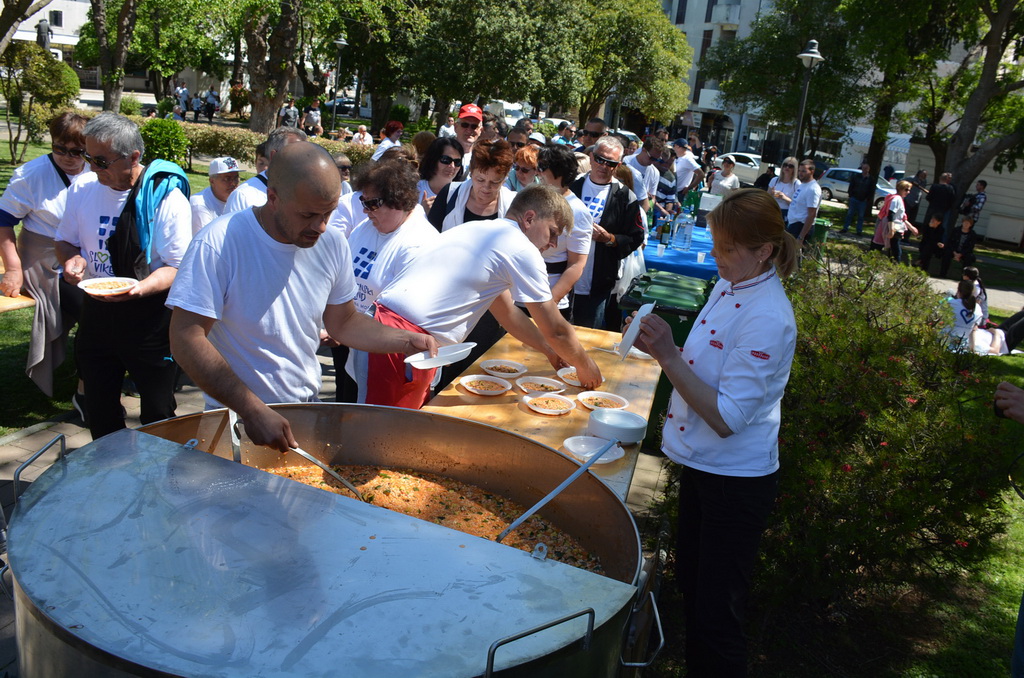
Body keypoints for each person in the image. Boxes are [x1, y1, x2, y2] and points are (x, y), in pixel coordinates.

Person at [626, 188, 798, 677]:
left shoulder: (768, 317)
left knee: (717, 617)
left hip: (735, 481)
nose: (716, 256)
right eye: (717, 244)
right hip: (703, 467)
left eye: (728, 248)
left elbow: (726, 419)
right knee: (693, 591)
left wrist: (668, 355)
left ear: (763, 251)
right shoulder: (732, 282)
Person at [167, 143, 438, 451]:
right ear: (273, 198)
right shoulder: (219, 242)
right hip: (235, 421)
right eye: (308, 214)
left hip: (304, 413)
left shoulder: (332, 243)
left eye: (329, 213)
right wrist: (251, 409)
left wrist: (405, 340)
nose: (321, 226)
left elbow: (344, 322)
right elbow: (185, 339)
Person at [369, 184, 603, 408]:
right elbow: (557, 329)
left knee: (387, 425)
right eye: (553, 233)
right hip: (405, 339)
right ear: (529, 219)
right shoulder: (521, 247)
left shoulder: (482, 231)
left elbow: (508, 313)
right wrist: (585, 365)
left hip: (387, 330)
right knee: (389, 432)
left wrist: (549, 350)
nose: (552, 244)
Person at [55, 112, 192, 439]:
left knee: (158, 413)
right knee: (99, 409)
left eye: (100, 160)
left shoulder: (165, 198)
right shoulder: (83, 188)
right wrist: (72, 259)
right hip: (97, 312)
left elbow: (178, 266)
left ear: (133, 156)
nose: (91, 167)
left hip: (151, 318)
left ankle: (159, 481)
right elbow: (64, 240)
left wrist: (138, 289)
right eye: (88, 157)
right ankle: (110, 476)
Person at [0, 112, 91, 398]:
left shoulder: (96, 170)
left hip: (85, 256)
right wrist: (13, 268)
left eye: (76, 151)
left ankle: (97, 376)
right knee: (92, 311)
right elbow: (3, 223)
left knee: (119, 304)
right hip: (43, 260)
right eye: (59, 148)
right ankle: (87, 391)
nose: (67, 156)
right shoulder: (31, 175)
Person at [338, 159, 439, 402]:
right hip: (358, 347)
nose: (365, 210)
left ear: (399, 200)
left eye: (372, 203)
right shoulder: (365, 228)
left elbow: (399, 315)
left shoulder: (420, 243)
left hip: (394, 362)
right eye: (363, 202)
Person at [570, 136, 645, 329]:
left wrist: (609, 239)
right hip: (563, 277)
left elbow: (636, 237)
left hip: (597, 283)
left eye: (610, 163)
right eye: (599, 159)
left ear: (618, 165)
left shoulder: (624, 196)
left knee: (586, 339)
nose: (603, 166)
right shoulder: (571, 186)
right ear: (591, 158)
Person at [538, 143, 594, 319]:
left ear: (559, 172)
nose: (537, 172)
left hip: (550, 298)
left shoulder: (577, 211)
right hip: (519, 295)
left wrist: (550, 302)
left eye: (542, 167)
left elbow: (577, 263)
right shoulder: (532, 198)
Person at [427, 138, 516, 232]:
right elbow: (431, 236)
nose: (486, 187)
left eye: (495, 182)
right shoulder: (450, 194)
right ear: (471, 172)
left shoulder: (514, 204)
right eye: (480, 180)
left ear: (504, 178)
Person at [224, 127, 306, 214]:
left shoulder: (306, 191)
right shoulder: (243, 196)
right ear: (275, 156)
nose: (305, 160)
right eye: (296, 153)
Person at [190, 156, 240, 234]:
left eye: (236, 178)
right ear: (212, 181)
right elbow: (204, 240)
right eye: (227, 178)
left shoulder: (239, 199)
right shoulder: (199, 204)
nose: (233, 183)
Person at [871, 180, 917, 263]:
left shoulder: (899, 199)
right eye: (906, 190)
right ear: (900, 189)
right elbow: (891, 214)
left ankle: (889, 266)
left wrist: (911, 228)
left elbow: (901, 217)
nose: (908, 192)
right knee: (895, 250)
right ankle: (895, 268)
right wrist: (891, 230)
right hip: (893, 227)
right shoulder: (896, 199)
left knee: (891, 248)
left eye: (909, 190)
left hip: (895, 227)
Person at [417, 137, 463, 211]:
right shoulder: (415, 189)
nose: (452, 166)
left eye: (457, 162)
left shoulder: (463, 193)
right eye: (446, 160)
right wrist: (421, 212)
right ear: (433, 159)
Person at [786, 160, 821, 245]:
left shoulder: (813, 189)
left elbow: (811, 215)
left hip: (800, 226)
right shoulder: (803, 184)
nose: (800, 173)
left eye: (804, 171)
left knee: (792, 256)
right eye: (799, 171)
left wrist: (801, 237)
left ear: (811, 171)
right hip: (792, 224)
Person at [624, 136, 665, 205]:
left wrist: (650, 200)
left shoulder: (655, 172)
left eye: (657, 159)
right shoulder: (625, 161)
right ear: (643, 150)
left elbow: (653, 197)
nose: (653, 162)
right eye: (652, 158)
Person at [944, 279, 982, 351]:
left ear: (959, 291)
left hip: (944, 341)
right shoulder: (978, 308)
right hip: (961, 345)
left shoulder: (951, 303)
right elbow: (973, 330)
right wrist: (972, 349)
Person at [840, 163, 874, 235]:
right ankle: (845, 228)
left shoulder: (870, 179)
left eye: (866, 168)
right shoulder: (856, 176)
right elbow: (851, 186)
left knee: (861, 216)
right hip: (854, 198)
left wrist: (867, 199)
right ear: (862, 169)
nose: (865, 170)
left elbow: (872, 190)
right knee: (850, 214)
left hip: (863, 200)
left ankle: (859, 231)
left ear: (869, 169)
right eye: (863, 168)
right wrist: (850, 195)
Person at [923, 172, 956, 240]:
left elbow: (928, 198)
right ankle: (938, 241)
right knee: (941, 227)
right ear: (947, 179)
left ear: (940, 178)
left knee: (930, 225)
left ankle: (926, 239)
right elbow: (952, 200)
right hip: (943, 211)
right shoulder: (950, 188)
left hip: (932, 209)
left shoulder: (934, 187)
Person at [767, 157, 799, 224]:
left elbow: (797, 205)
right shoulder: (774, 180)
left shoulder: (796, 184)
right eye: (785, 165)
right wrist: (772, 194)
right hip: (773, 210)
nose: (787, 167)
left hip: (786, 213)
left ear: (794, 169)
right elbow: (767, 197)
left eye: (790, 166)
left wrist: (784, 198)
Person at [674, 140, 704, 206]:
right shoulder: (677, 157)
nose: (673, 148)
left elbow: (701, 174)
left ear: (677, 146)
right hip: (672, 191)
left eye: (674, 146)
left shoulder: (688, 159)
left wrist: (690, 187)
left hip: (680, 194)